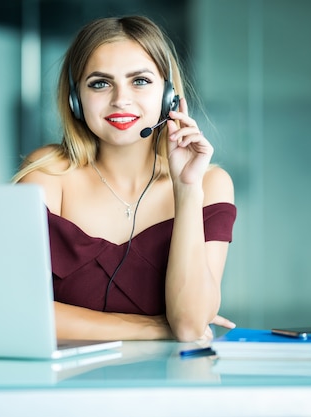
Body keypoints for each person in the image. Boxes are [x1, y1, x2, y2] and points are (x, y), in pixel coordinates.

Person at [13, 15, 236, 342]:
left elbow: (189, 326)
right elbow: (16, 312)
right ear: (76, 99)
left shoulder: (209, 183)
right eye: (100, 83)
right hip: (62, 390)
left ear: (168, 95)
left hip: (171, 388)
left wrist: (186, 190)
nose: (121, 99)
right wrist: (152, 327)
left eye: (140, 81)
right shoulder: (48, 174)